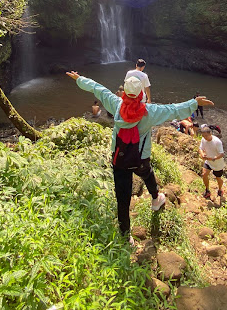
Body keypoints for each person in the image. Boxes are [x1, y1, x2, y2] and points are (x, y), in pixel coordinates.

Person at [66, 70, 214, 243]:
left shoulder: (116, 105)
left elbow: (98, 89)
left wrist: (79, 79)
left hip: (119, 158)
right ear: (141, 94)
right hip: (140, 157)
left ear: (124, 93)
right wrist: (194, 102)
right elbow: (172, 110)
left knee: (122, 197)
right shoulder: (149, 112)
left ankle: (124, 235)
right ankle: (155, 199)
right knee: (147, 174)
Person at [199, 126, 225, 199]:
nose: (205, 137)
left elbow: (221, 154)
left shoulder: (217, 142)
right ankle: (207, 190)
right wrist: (202, 154)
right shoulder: (203, 140)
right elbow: (200, 148)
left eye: (206, 136)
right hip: (208, 162)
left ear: (210, 133)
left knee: (218, 179)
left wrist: (214, 158)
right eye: (203, 136)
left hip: (217, 164)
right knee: (204, 174)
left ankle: (220, 189)